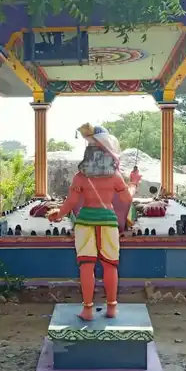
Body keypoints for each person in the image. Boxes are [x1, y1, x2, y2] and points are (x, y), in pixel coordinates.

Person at [48, 124, 134, 320]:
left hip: (85, 222)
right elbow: (126, 199)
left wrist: (59, 214)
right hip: (108, 222)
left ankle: (87, 310)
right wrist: (134, 183)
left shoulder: (80, 177)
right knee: (110, 265)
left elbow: (71, 202)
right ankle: (111, 308)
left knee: (86, 265)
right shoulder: (115, 177)